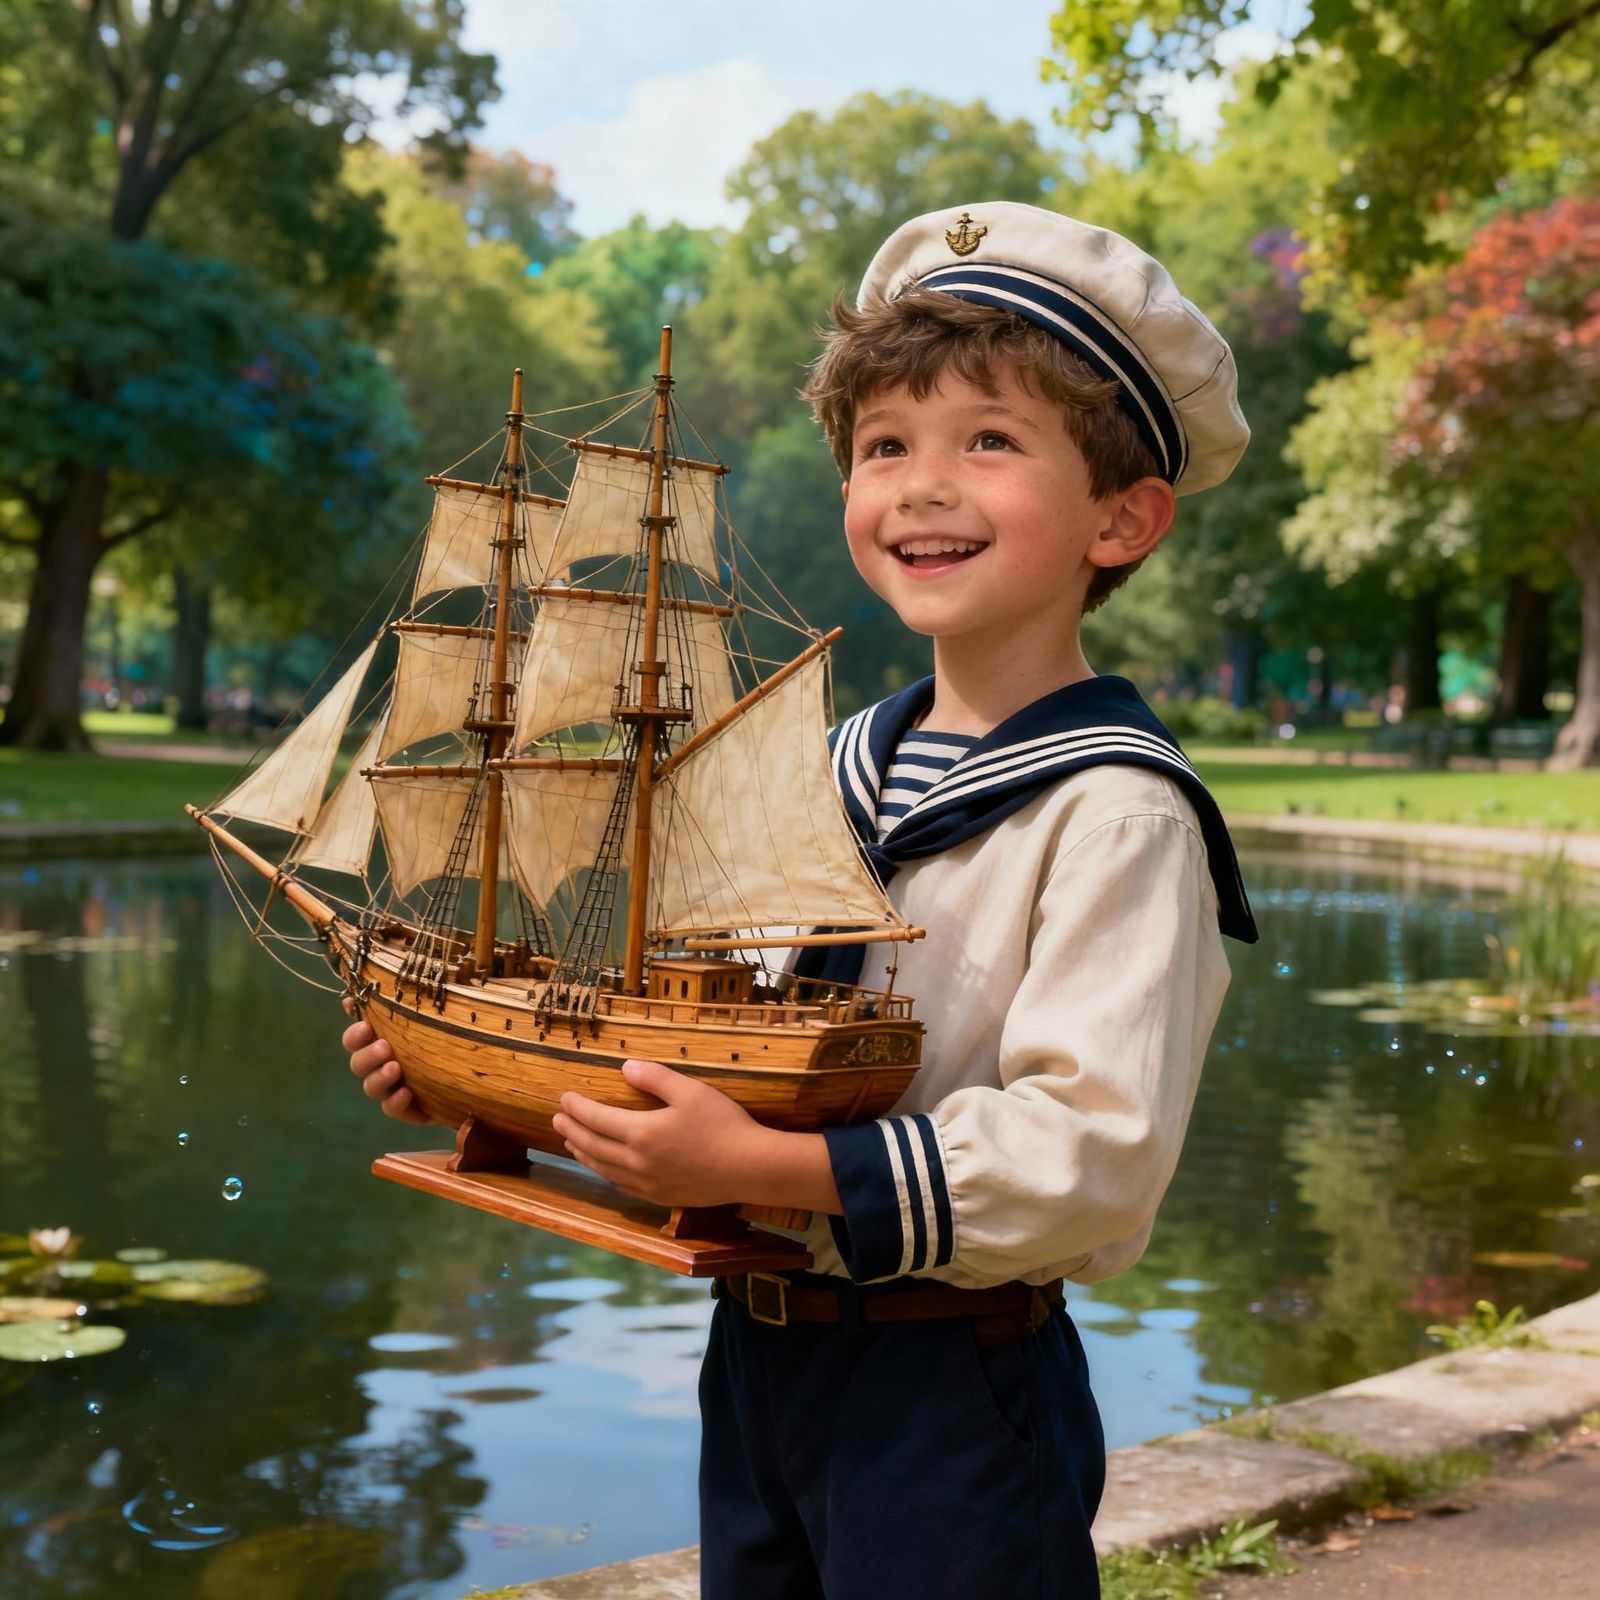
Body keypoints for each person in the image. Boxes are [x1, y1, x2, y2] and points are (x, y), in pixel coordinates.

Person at [344, 200, 1259, 1599]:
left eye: (990, 442)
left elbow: (1091, 1154)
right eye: (884, 445)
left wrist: (761, 1173)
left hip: (953, 1386)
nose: (921, 485)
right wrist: (502, 1092)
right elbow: (714, 1054)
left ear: (1124, 518)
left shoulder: (1114, 809)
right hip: (759, 1354)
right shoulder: (825, 770)